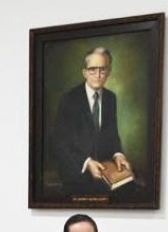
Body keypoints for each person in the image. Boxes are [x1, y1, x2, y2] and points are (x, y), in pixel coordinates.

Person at [52, 47, 133, 196]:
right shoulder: (69, 99)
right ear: (84, 72)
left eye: (103, 69)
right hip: (77, 174)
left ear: (109, 72)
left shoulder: (110, 98)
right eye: (92, 69)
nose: (98, 75)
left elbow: (112, 134)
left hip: (106, 173)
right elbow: (60, 143)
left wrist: (118, 154)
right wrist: (86, 162)